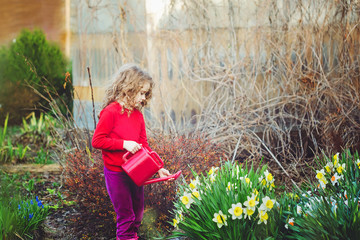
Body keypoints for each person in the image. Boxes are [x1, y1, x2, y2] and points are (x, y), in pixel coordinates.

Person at [92, 64, 172, 240]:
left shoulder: (137, 115)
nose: (143, 98)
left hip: (136, 172)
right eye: (141, 92)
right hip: (116, 173)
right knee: (126, 217)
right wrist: (124, 144)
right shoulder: (110, 112)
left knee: (138, 214)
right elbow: (97, 141)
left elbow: (144, 144)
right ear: (128, 88)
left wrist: (158, 168)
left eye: (146, 94)